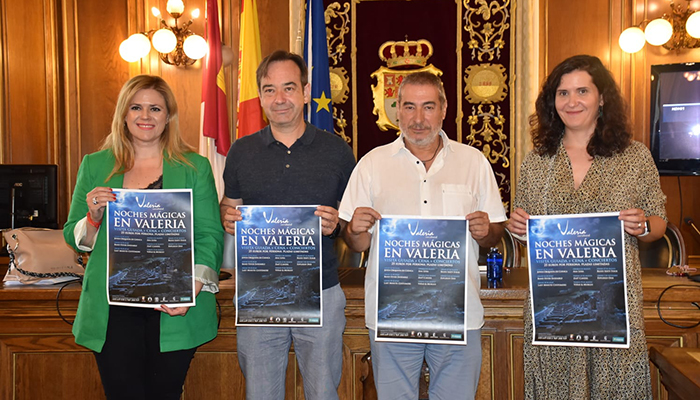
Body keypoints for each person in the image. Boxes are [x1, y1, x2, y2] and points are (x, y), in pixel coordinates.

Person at [507, 54, 667, 399]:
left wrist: (642, 226)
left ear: (602, 97)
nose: (572, 101)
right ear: (552, 102)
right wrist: (517, 228)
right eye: (562, 93)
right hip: (553, 307)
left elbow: (658, 223)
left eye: (582, 91)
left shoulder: (634, 156)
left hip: (614, 308)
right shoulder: (537, 161)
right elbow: (525, 230)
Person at [339, 71, 507, 399]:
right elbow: (357, 242)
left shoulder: (473, 162)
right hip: (393, 315)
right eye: (409, 107)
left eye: (428, 107)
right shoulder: (372, 164)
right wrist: (354, 229)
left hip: (458, 314)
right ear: (397, 111)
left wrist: (487, 231)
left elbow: (494, 233)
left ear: (444, 109)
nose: (418, 119)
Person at [63, 75, 224, 400]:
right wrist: (93, 217)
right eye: (136, 107)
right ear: (124, 114)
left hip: (173, 306)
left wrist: (191, 289)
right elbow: (72, 235)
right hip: (112, 312)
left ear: (168, 116)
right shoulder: (95, 165)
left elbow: (210, 235)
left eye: (155, 108)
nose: (145, 116)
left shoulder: (195, 167)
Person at [220, 50, 356, 400]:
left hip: (321, 292)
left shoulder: (337, 151)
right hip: (259, 293)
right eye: (270, 90)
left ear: (306, 92)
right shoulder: (241, 151)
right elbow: (228, 206)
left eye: (289, 88)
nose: (279, 99)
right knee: (260, 393)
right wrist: (227, 216)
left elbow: (355, 224)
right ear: (260, 96)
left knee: (323, 392)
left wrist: (336, 224)